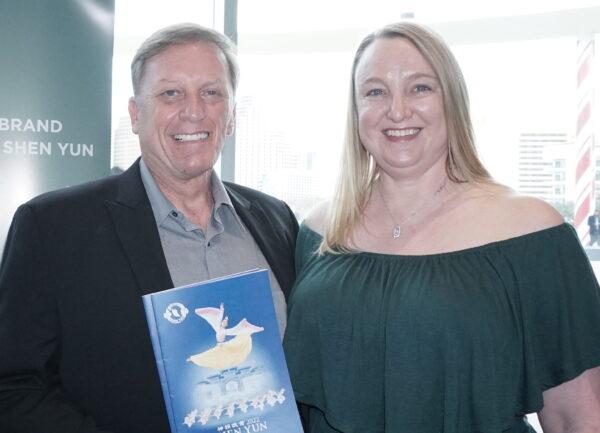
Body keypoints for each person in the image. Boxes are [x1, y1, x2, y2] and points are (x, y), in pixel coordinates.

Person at [283, 22, 600, 433]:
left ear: (452, 100)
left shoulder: (532, 232)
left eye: (420, 88)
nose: (397, 110)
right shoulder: (319, 231)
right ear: (356, 110)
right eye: (376, 91)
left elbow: (577, 416)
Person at [0, 24, 298, 433]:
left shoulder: (276, 219)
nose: (194, 111)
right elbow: (14, 386)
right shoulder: (52, 228)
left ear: (230, 116)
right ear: (136, 114)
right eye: (170, 93)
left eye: (211, 93)